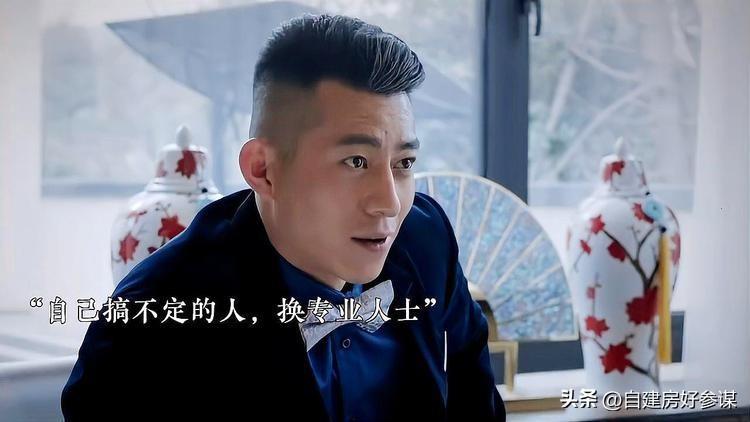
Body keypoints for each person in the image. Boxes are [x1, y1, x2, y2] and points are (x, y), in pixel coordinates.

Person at [61, 14, 506, 421]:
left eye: (403, 164)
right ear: (264, 170)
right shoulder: (148, 324)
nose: (389, 203)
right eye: (355, 161)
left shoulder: (425, 239)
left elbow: (477, 403)